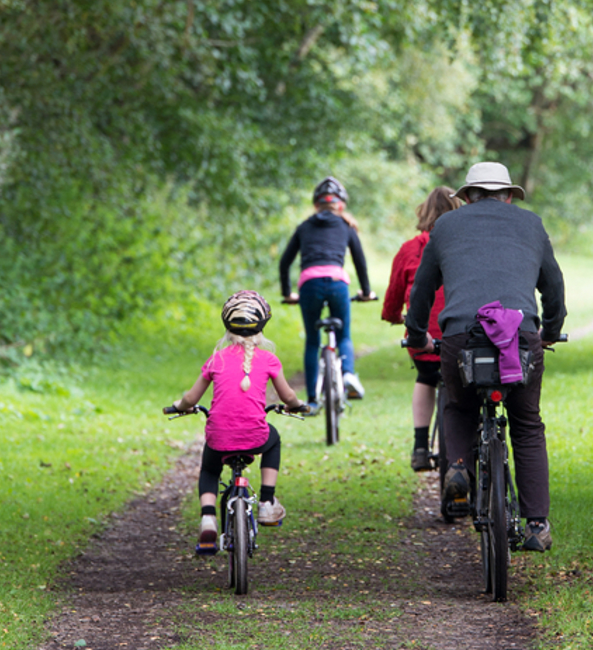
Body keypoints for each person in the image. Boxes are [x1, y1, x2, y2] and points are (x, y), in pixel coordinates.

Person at [405, 162, 566, 552]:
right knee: (527, 424)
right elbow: (553, 285)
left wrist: (416, 335)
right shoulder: (531, 224)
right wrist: (548, 331)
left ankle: (458, 467)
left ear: (468, 197)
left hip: (461, 335)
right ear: (509, 195)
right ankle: (536, 524)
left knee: (458, 408)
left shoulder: (444, 227)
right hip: (521, 336)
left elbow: (423, 290)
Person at [164, 290, 310, 554]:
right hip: (256, 436)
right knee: (273, 440)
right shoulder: (268, 359)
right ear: (261, 327)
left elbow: (191, 397)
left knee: (210, 469)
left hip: (219, 436)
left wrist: (179, 407)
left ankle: (208, 517)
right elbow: (287, 395)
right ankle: (266, 501)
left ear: (227, 327)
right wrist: (296, 405)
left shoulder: (216, 359)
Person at [279, 176, 376, 412]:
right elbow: (360, 262)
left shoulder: (304, 227)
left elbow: (284, 263)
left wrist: (288, 293)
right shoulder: (346, 226)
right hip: (337, 283)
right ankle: (348, 374)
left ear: (316, 205)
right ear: (340, 205)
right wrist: (365, 291)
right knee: (343, 335)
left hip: (309, 284)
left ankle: (312, 401)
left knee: (313, 341)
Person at [382, 186, 460, 471]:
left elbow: (394, 293)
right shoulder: (464, 245)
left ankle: (419, 445)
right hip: (460, 335)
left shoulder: (411, 248)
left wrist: (393, 316)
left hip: (423, 335)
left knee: (426, 379)